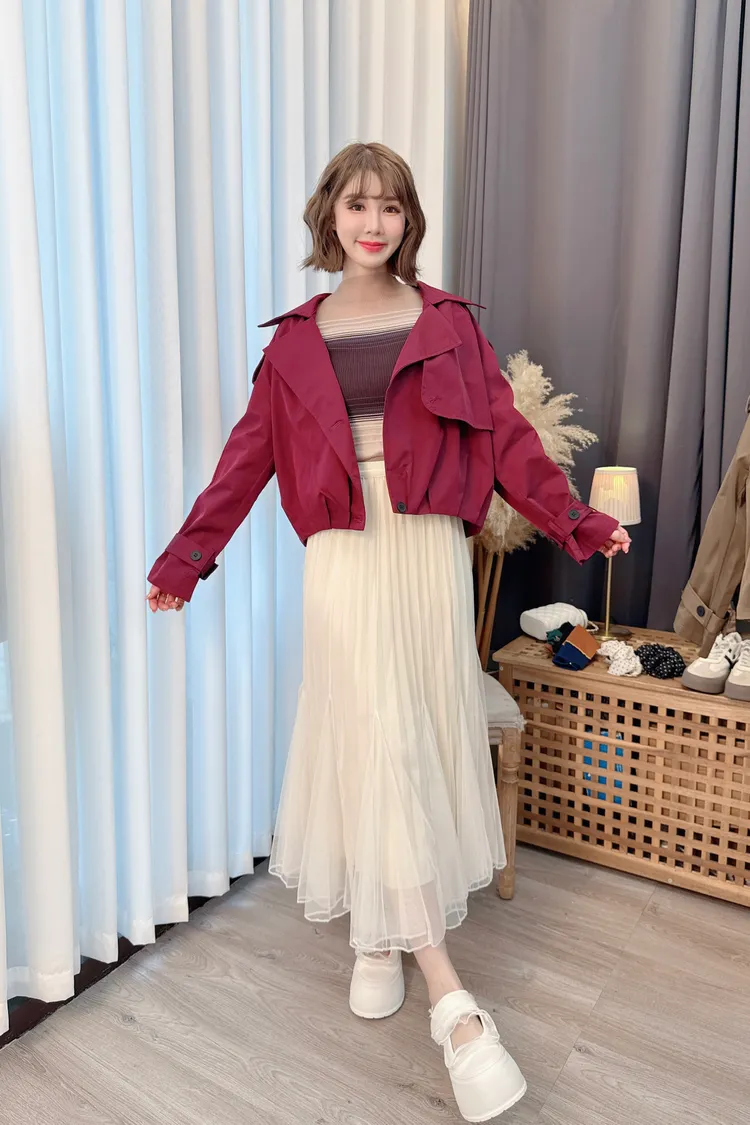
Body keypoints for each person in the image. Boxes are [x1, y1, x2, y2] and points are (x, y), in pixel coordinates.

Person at [146, 142, 631, 1122]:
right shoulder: (294, 342)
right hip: (344, 557)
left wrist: (578, 522)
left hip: (424, 555)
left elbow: (509, 444)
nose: (374, 222)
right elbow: (245, 463)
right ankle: (452, 1003)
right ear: (329, 216)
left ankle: (379, 930)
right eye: (357, 204)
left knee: (405, 739)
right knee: (375, 737)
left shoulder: (447, 323)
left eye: (392, 206)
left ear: (409, 221)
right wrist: (184, 561)